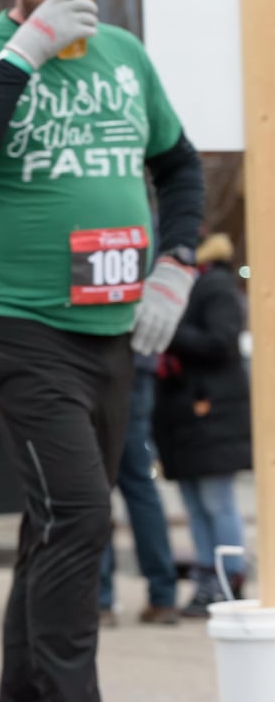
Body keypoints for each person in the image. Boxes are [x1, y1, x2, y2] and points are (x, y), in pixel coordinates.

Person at [0, 0, 203, 701]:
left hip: (111, 326)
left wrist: (176, 262)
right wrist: (24, 56)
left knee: (57, 521)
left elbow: (180, 166)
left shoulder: (124, 54)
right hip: (15, 322)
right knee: (81, 515)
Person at [153, 232, 250, 618]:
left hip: (212, 412)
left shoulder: (215, 286)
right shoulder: (193, 286)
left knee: (216, 501)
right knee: (195, 505)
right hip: (183, 413)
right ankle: (207, 579)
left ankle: (229, 578)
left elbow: (221, 340)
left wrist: (168, 330)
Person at [97, 352, 179, 627]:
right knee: (141, 487)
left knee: (96, 486)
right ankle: (163, 598)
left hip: (93, 366)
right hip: (137, 370)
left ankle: (100, 602)